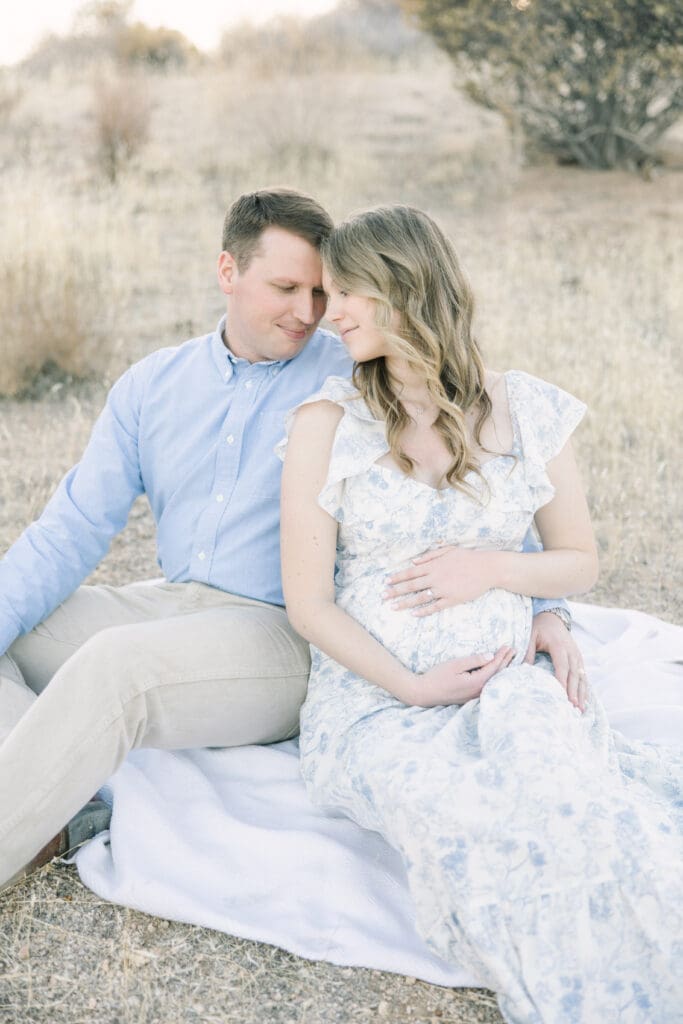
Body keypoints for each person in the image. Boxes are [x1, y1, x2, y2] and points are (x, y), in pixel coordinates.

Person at [0, 187, 578, 894]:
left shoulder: (358, 372)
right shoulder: (153, 384)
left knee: (116, 665)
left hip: (287, 633)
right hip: (176, 603)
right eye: (286, 288)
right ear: (226, 271)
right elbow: (70, 532)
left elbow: (477, 495)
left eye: (321, 291)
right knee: (12, 629)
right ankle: (59, 811)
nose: (309, 313)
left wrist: (550, 607)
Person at [280, 205, 682, 1022]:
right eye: (329, 293)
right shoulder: (328, 423)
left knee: (584, 812)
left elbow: (579, 558)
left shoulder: (525, 409)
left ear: (408, 287)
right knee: (473, 829)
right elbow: (308, 603)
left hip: (509, 684)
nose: (334, 314)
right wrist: (413, 686)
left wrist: (498, 576)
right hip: (379, 705)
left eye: (351, 291)